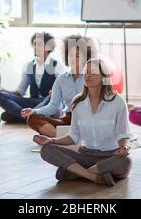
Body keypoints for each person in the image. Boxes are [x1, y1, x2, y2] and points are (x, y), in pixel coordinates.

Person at [34, 58, 131, 186]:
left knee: (125, 162)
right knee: (47, 150)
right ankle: (93, 176)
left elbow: (123, 134)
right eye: (86, 72)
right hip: (86, 156)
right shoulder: (77, 103)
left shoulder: (117, 102)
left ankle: (77, 172)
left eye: (93, 72)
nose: (87, 75)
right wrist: (51, 140)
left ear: (103, 77)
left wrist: (125, 147)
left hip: (111, 156)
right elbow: (73, 136)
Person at [22, 35, 97, 137]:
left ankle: (67, 139)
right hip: (67, 120)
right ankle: (62, 139)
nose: (73, 59)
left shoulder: (93, 77)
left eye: (77, 55)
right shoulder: (61, 79)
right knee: (32, 118)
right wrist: (34, 111)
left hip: (87, 121)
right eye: (70, 55)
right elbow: (53, 106)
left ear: (86, 57)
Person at [0, 32, 65, 123]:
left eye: (39, 44)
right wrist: (2, 90)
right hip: (33, 102)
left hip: (48, 103)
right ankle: (28, 117)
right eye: (34, 44)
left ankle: (20, 116)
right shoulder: (28, 65)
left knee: (51, 99)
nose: (35, 47)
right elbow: (19, 92)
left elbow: (63, 89)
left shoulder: (57, 65)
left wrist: (56, 91)